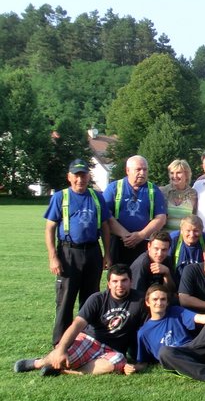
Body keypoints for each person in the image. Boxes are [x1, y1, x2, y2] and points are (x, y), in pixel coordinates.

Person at [14, 264, 147, 376]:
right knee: (63, 355)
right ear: (109, 284)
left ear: (131, 281)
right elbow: (77, 324)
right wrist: (62, 349)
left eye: (124, 280)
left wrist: (142, 361)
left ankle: (65, 371)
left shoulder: (140, 301)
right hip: (90, 341)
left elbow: (146, 328)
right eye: (115, 281)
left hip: (113, 350)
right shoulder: (97, 299)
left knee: (118, 361)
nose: (120, 285)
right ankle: (38, 363)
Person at [43, 158, 112, 345]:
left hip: (92, 251)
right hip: (68, 253)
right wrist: (53, 257)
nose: (80, 179)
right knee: (65, 299)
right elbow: (49, 228)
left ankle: (87, 340)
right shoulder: (61, 197)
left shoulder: (97, 197)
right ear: (69, 177)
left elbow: (105, 227)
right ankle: (60, 344)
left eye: (83, 175)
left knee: (91, 299)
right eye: (76, 175)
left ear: (89, 177)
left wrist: (107, 254)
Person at [104, 155, 167, 266]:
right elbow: (106, 216)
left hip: (144, 242)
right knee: (119, 275)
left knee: (141, 274)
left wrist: (141, 235)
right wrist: (125, 235)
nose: (142, 173)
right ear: (127, 170)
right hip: (119, 242)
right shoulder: (114, 188)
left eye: (145, 170)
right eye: (138, 169)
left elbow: (161, 218)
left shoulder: (153, 190)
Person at [130, 231, 175, 295]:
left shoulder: (167, 260)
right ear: (149, 246)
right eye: (156, 249)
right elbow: (136, 294)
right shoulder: (141, 264)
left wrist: (167, 274)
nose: (160, 254)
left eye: (164, 250)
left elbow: (172, 291)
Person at [169, 215, 205, 284]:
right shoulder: (173, 238)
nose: (192, 235)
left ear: (201, 230)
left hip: (199, 282)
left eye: (196, 231)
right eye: (188, 231)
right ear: (181, 230)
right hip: (176, 282)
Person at [159, 159, 197, 232]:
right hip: (165, 237)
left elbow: (195, 218)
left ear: (186, 174)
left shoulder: (193, 194)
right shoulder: (163, 192)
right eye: (172, 173)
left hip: (185, 236)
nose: (174, 176)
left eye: (178, 173)